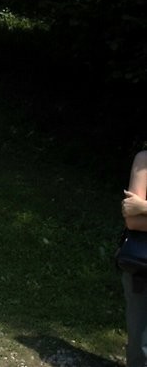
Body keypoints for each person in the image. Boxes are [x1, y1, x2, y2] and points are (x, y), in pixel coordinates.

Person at [121, 150, 147, 367]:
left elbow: (140, 213)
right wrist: (138, 211)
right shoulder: (144, 160)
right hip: (142, 267)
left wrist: (145, 207)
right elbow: (133, 221)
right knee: (141, 343)